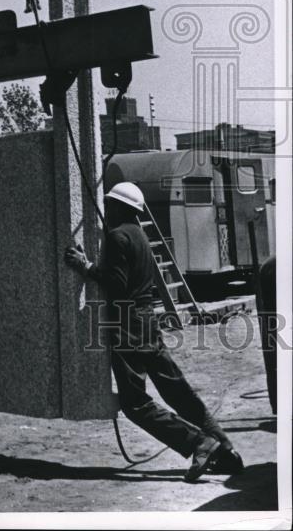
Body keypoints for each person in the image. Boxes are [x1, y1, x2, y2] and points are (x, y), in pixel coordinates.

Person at [65, 181, 243, 482]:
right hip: (148, 323)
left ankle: (199, 443)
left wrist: (86, 267)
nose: (106, 208)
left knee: (134, 404)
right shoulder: (141, 237)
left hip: (127, 326)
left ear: (120, 207)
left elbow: (116, 284)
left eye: (110, 203)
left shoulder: (117, 236)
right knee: (177, 391)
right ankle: (226, 450)